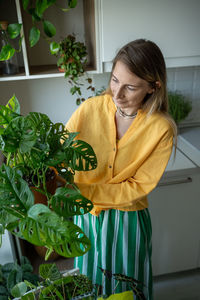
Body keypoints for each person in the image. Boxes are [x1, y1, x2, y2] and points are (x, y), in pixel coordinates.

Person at [65, 39, 177, 300]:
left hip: (127, 221)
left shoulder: (161, 129)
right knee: (87, 285)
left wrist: (82, 191)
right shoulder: (89, 109)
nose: (117, 93)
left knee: (127, 288)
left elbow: (138, 187)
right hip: (87, 217)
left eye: (130, 87)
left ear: (153, 87)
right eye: (115, 80)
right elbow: (61, 150)